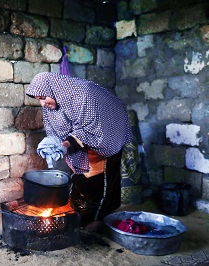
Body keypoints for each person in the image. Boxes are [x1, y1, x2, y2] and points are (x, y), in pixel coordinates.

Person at [26, 72, 133, 232]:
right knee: (81, 178)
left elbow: (91, 129)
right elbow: (57, 129)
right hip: (83, 140)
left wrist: (66, 144)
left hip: (108, 133)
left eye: (43, 98)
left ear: (52, 90)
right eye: (38, 100)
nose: (42, 104)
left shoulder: (83, 96)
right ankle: (82, 216)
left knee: (102, 180)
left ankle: (100, 219)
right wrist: (54, 143)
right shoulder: (55, 101)